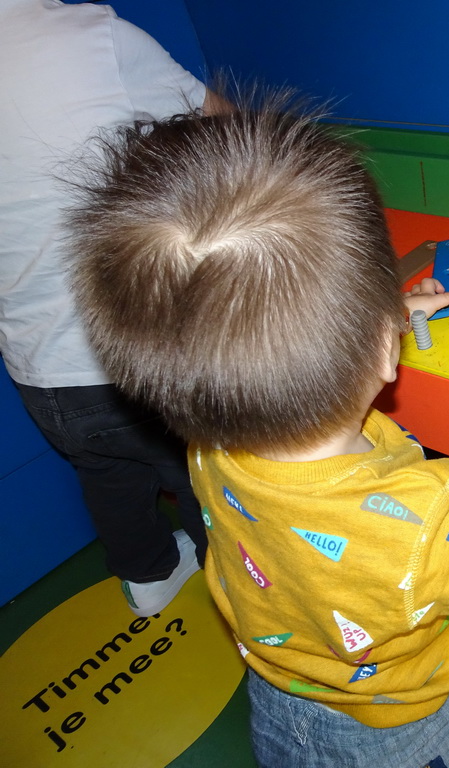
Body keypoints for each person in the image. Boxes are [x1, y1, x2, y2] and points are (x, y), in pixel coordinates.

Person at [66, 99, 449, 767]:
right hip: (410, 731)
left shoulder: (209, 444)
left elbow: (253, 360)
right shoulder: (419, 531)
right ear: (389, 351)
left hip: (285, 694)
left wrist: (361, 327)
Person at [0, 0, 229, 616]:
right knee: (202, 480)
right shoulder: (92, 33)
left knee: (106, 472)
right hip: (133, 353)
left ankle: (147, 575)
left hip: (38, 369)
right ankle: (233, 588)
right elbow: (227, 130)